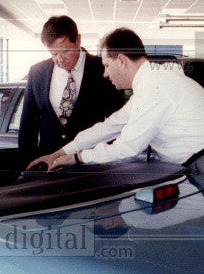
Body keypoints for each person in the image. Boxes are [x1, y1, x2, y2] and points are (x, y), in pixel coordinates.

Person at [28, 27, 204, 179]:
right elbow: (110, 127)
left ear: (122, 60)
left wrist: (77, 158)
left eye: (107, 65)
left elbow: (126, 148)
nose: (105, 74)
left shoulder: (154, 89)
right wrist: (59, 153)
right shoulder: (151, 84)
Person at [17, 15, 126, 166]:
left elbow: (117, 122)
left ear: (78, 40)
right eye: (54, 54)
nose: (60, 59)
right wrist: (27, 165)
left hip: (90, 162)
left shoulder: (103, 69)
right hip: (48, 163)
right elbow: (28, 124)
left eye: (65, 51)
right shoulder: (37, 72)